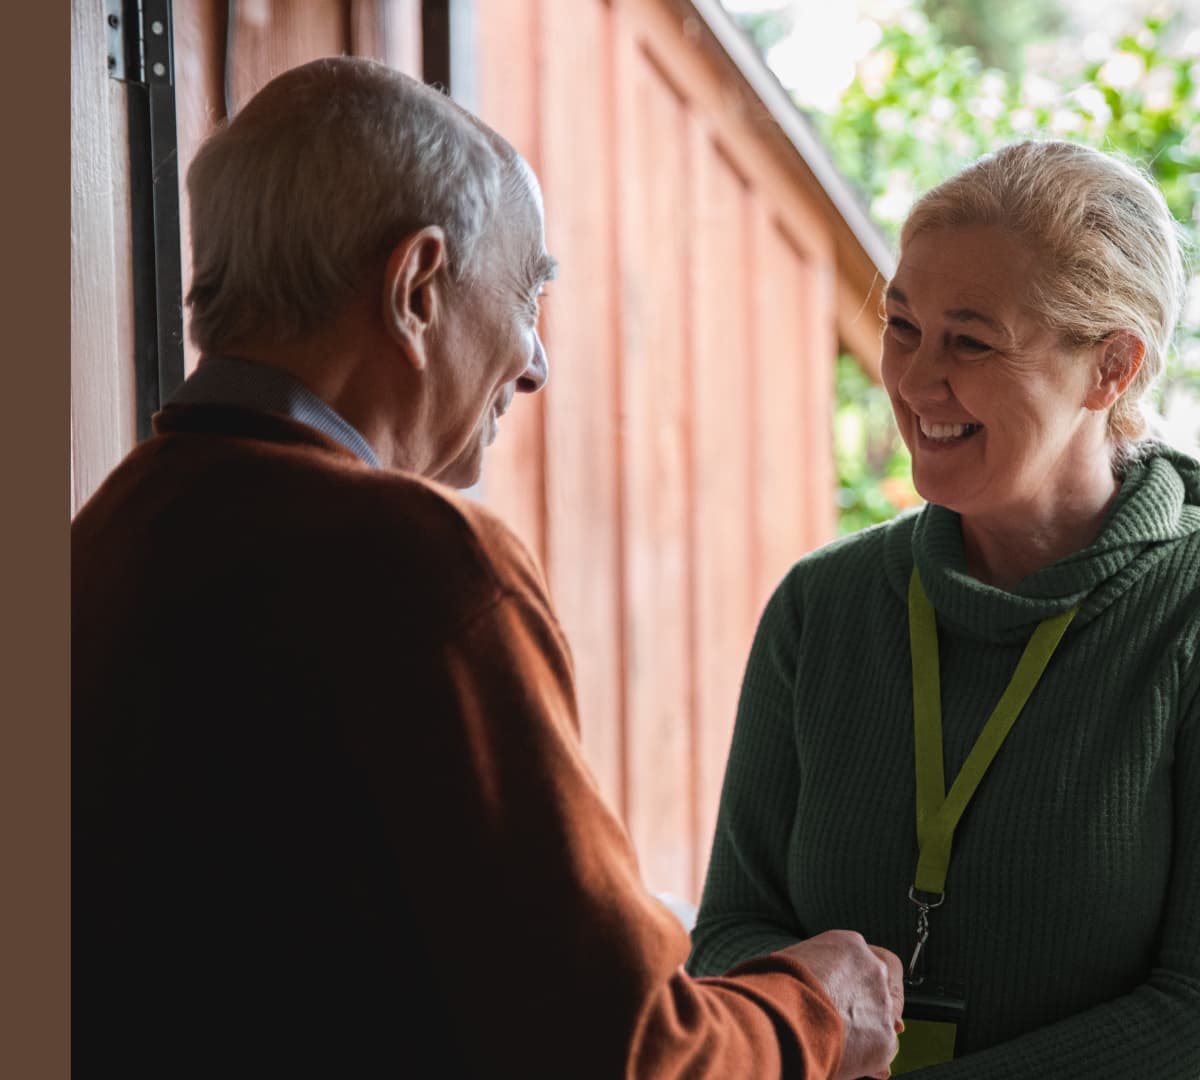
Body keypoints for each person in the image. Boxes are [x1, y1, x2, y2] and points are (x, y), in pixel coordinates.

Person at [71, 57, 904, 1078]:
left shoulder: (112, 527)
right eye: (527, 293)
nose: (536, 361)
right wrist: (812, 1008)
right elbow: (627, 1052)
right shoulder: (414, 564)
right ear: (417, 286)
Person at [687, 137, 1200, 1077]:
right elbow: (731, 931)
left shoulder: (1185, 615)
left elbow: (1191, 1013)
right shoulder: (822, 606)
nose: (916, 383)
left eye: (970, 341)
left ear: (1112, 369)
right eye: (902, 325)